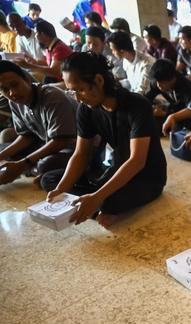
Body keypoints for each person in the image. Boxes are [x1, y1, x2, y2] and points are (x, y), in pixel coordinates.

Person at [43, 52, 167, 229]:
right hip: (115, 168)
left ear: (99, 81)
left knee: (108, 201)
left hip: (147, 177)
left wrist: (98, 197)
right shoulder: (86, 109)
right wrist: (62, 188)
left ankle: (100, 205)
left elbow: (137, 161)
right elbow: (81, 153)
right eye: (72, 91)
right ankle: (95, 204)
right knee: (49, 180)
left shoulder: (137, 105)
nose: (77, 98)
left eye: (80, 89)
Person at [0, 61, 76, 186]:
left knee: (45, 165)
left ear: (27, 80)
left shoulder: (52, 97)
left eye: (15, 85)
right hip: (47, 142)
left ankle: (35, 169)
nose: (12, 93)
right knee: (2, 148)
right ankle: (33, 169)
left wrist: (23, 164)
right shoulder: (14, 102)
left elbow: (61, 141)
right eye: (4, 89)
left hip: (73, 147)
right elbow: (27, 135)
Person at [108, 30, 156, 95]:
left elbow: (142, 91)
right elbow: (131, 83)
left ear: (122, 51)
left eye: (113, 50)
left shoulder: (147, 64)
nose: (112, 53)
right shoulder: (126, 60)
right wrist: (119, 83)